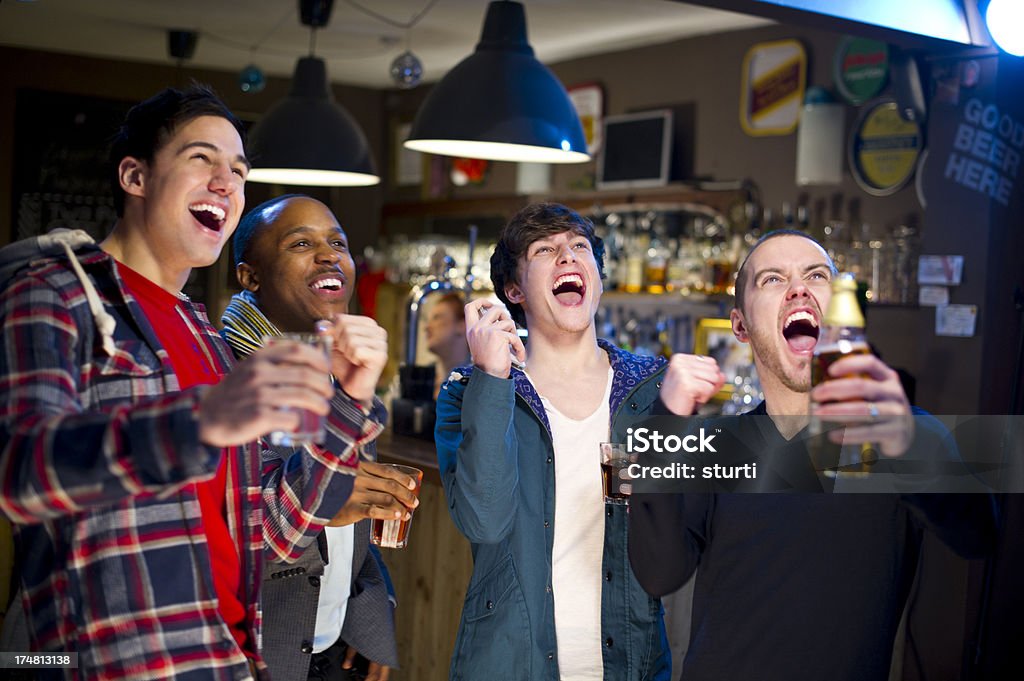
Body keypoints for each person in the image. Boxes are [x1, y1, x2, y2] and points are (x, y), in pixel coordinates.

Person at [0, 85, 378, 680]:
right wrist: (199, 422)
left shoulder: (204, 336)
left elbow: (271, 534)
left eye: (238, 169)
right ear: (135, 176)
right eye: (201, 158)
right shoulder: (54, 294)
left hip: (227, 660)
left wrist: (349, 402)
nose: (226, 182)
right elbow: (21, 474)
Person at [628, 229, 996, 681]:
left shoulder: (903, 434)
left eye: (816, 275)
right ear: (739, 325)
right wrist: (665, 425)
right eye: (772, 280)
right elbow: (658, 574)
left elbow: (980, 534)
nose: (798, 288)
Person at [435, 202, 676, 680]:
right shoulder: (468, 390)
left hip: (632, 665)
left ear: (598, 280)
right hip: (508, 666)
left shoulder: (650, 388)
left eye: (579, 248)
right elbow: (484, 519)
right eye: (546, 250)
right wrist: (493, 376)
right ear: (514, 290)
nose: (568, 257)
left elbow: (684, 529)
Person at [222, 194, 418, 681]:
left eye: (338, 243)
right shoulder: (222, 374)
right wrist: (331, 499)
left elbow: (354, 531)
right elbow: (246, 535)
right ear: (250, 276)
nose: (329, 254)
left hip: (333, 650)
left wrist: (371, 615)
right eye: (301, 243)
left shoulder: (330, 368)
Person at [424, 292, 470, 399]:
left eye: (437, 318)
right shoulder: (426, 377)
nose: (427, 327)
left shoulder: (478, 379)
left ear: (462, 326)